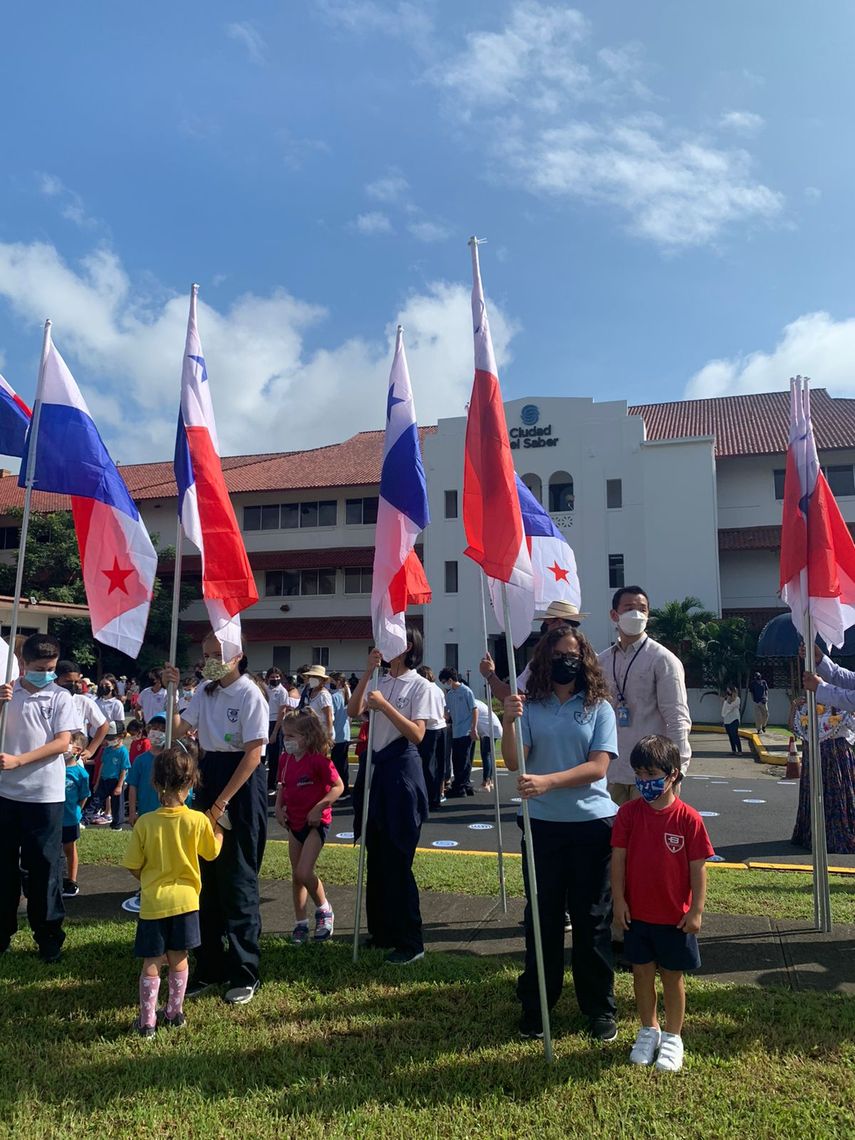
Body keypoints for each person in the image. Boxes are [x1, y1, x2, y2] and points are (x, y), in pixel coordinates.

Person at [501, 624, 619, 1042]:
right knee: (542, 920)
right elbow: (514, 761)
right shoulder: (531, 706)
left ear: (583, 659)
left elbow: (598, 767)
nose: (565, 661)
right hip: (542, 827)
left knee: (592, 922)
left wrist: (548, 782)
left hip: (591, 827)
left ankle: (599, 1007)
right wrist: (509, 721)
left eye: (572, 654)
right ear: (543, 663)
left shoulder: (598, 707)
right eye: (556, 656)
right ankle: (538, 1008)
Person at [163, 632, 269, 1005]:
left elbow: (253, 754)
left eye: (215, 654)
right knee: (206, 879)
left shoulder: (250, 693)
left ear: (237, 655)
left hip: (238, 788)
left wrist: (220, 805)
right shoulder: (205, 691)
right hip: (209, 780)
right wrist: (172, 691)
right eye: (205, 654)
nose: (207, 660)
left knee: (238, 883)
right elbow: (176, 731)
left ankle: (245, 970)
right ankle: (210, 965)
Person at [611, 735, 714, 1073]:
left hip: (675, 918)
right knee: (641, 974)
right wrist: (619, 902)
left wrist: (696, 910)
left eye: (651, 773)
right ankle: (648, 1029)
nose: (644, 782)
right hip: (637, 915)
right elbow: (619, 861)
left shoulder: (689, 819)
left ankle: (672, 1037)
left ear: (672, 774)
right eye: (639, 774)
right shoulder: (627, 814)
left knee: (672, 976)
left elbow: (698, 869)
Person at [122, 741, 223, 1037]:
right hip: (187, 901)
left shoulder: (145, 823)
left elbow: (132, 864)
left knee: (151, 961)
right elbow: (211, 853)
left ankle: (147, 1021)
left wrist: (147, 879)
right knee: (179, 957)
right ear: (192, 782)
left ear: (155, 782)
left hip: (154, 902)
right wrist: (218, 835)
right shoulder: (198, 820)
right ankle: (175, 1012)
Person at [348, 628, 431, 965]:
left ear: (407, 646)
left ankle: (411, 940)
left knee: (398, 859)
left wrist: (385, 708)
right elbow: (353, 711)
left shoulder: (420, 685)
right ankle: (381, 931)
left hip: (401, 772)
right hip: (375, 770)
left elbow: (418, 733)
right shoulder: (378, 680)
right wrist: (368, 672)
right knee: (377, 856)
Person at [0, 633, 76, 961]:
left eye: (51, 668)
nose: (46, 673)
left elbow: (62, 743)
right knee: (3, 868)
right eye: (39, 667)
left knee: (44, 869)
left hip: (45, 796)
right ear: (22, 663)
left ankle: (47, 938)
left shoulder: (60, 697)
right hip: (6, 794)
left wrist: (19, 761)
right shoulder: (8, 694)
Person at [598, 587, 692, 806]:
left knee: (648, 838)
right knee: (612, 838)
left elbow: (677, 718)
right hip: (610, 771)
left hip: (652, 774)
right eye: (629, 608)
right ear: (614, 615)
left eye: (642, 609)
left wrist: (678, 772)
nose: (637, 614)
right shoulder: (601, 661)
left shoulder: (663, 660)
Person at [274, 710, 343, 943]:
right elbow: (282, 784)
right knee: (296, 876)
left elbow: (338, 787)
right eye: (285, 735)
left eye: (292, 735)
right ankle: (300, 922)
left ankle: (324, 909)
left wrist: (318, 808)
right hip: (294, 822)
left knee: (304, 872)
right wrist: (278, 806)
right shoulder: (285, 759)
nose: (287, 740)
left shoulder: (318, 761)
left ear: (307, 736)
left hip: (315, 823)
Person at [480, 599, 590, 700]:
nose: (545, 627)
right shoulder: (592, 659)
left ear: (559, 623)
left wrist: (490, 675)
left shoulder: (540, 661)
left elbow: (512, 696)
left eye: (548, 622)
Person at [56, 660, 109, 793]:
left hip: (73, 760)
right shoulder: (49, 698)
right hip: (52, 757)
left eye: (76, 681)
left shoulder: (82, 701)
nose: (73, 685)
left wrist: (91, 750)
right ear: (56, 679)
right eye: (68, 681)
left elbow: (103, 725)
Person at [438, 668, 477, 798]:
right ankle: (464, 785)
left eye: (445, 681)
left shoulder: (466, 691)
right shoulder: (449, 695)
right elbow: (447, 714)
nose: (445, 684)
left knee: (464, 760)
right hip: (456, 731)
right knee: (457, 759)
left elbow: (474, 710)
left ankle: (460, 787)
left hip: (466, 731)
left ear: (450, 679)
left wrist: (474, 728)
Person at [62, 732, 90, 898]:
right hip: (53, 816)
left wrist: (77, 811)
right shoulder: (54, 768)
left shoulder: (81, 774)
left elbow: (83, 795)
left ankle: (71, 881)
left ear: (77, 750)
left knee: (69, 848)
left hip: (70, 818)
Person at [416, 666, 447, 811]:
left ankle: (429, 798)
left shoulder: (424, 689)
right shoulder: (438, 689)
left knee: (427, 766)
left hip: (429, 729)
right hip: (441, 727)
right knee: (440, 764)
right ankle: (437, 795)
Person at [92, 722, 130, 830]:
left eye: (112, 737)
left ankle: (117, 825)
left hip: (116, 781)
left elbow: (124, 769)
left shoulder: (123, 752)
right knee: (96, 800)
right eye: (108, 737)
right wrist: (97, 782)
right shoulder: (107, 749)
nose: (109, 740)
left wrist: (119, 785)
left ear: (121, 736)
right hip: (104, 780)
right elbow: (102, 766)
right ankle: (87, 818)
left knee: (117, 805)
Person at [329, 672, 352, 795]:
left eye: (331, 681)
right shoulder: (346, 693)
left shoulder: (335, 697)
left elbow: (331, 717)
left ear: (338, 682)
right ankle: (345, 789)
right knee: (343, 764)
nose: (329, 684)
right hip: (345, 733)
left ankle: (342, 790)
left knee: (337, 765)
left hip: (337, 734)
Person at [474, 697, 502, 793]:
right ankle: (490, 781)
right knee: (489, 756)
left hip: (489, 730)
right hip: (491, 729)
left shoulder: (472, 703)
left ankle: (486, 783)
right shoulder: (477, 701)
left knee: (486, 755)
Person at [303, 665, 334, 742]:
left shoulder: (323, 695)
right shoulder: (310, 692)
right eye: (311, 676)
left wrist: (329, 735)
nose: (312, 679)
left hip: (322, 731)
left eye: (316, 677)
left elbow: (328, 716)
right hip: (312, 730)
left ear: (322, 680)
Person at [721, 687, 742, 754]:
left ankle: (739, 751)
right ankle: (733, 750)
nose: (728, 694)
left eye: (729, 692)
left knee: (734, 734)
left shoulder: (737, 699)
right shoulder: (726, 700)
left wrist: (729, 699)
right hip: (727, 720)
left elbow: (731, 707)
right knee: (730, 736)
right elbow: (724, 711)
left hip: (734, 719)